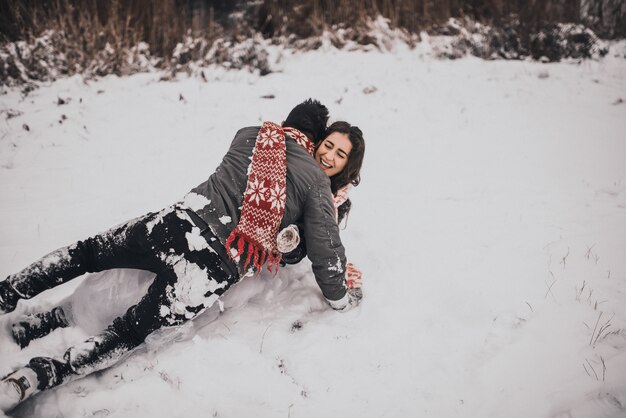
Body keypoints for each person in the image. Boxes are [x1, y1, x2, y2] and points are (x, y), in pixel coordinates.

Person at [0, 99, 363, 412]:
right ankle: (40, 376)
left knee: (87, 254)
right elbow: (326, 255)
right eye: (327, 146)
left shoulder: (250, 133)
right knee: (130, 331)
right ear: (314, 141)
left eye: (338, 153)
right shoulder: (316, 184)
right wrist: (342, 300)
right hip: (216, 265)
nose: (328, 155)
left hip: (177, 222)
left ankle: (9, 292)